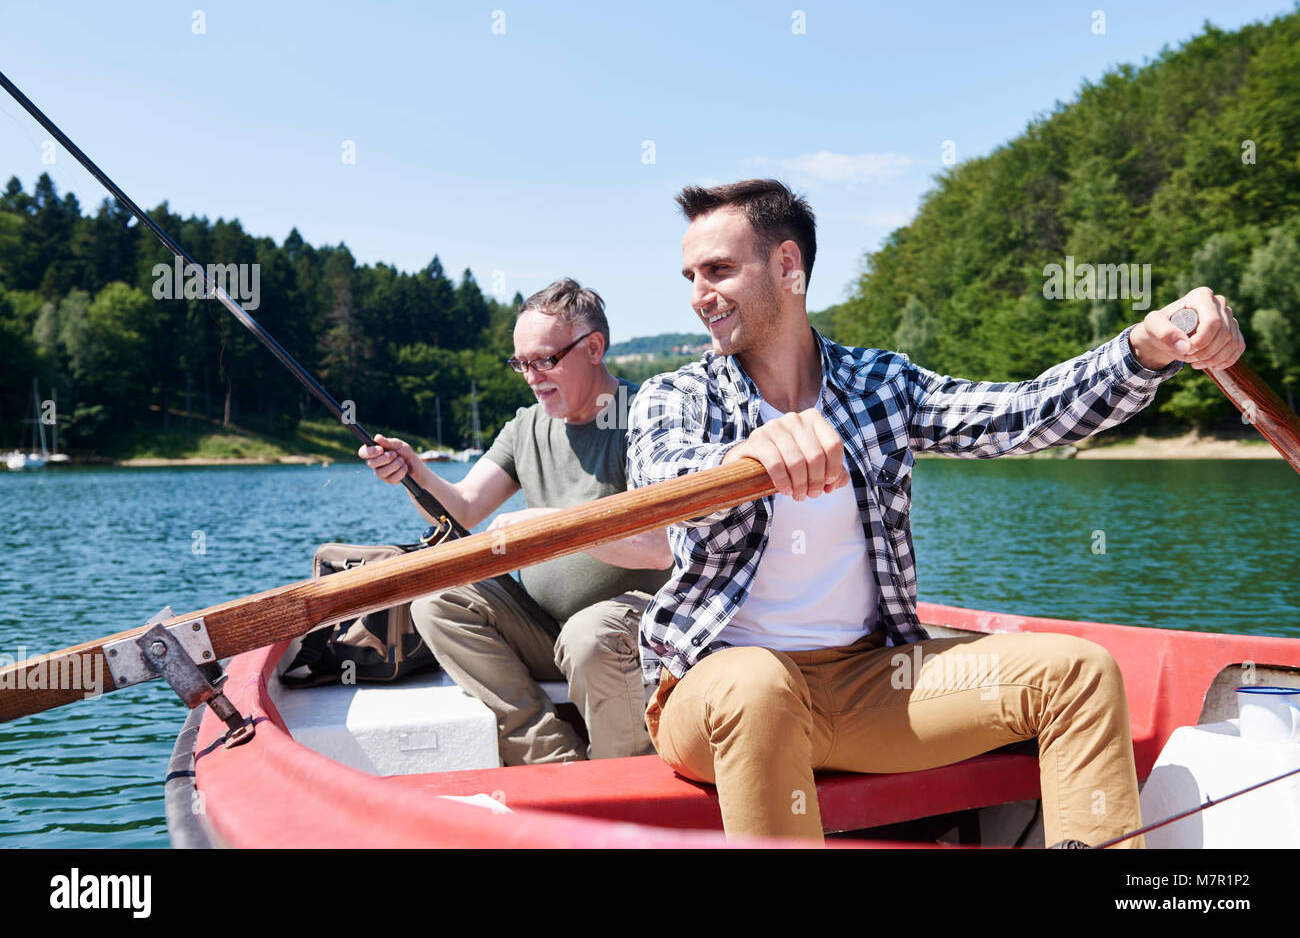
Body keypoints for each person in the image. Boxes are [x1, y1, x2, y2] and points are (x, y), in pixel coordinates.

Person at [626, 178, 1245, 846]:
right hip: (717, 687)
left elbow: (1021, 414)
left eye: (718, 269)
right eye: (691, 275)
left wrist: (1145, 349)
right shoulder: (675, 396)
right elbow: (657, 473)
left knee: (1079, 673)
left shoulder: (881, 385)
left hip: (868, 680)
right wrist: (745, 458)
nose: (698, 294)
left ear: (786, 266)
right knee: (757, 682)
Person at [361, 278, 673, 765]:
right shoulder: (526, 426)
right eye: (520, 363)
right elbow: (462, 507)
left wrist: (552, 525)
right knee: (435, 601)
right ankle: (555, 764)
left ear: (594, 347)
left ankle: (622, 787)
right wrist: (412, 471)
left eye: (544, 361)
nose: (530, 376)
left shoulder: (644, 417)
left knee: (589, 635)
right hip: (545, 628)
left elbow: (660, 546)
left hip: (632, 627)